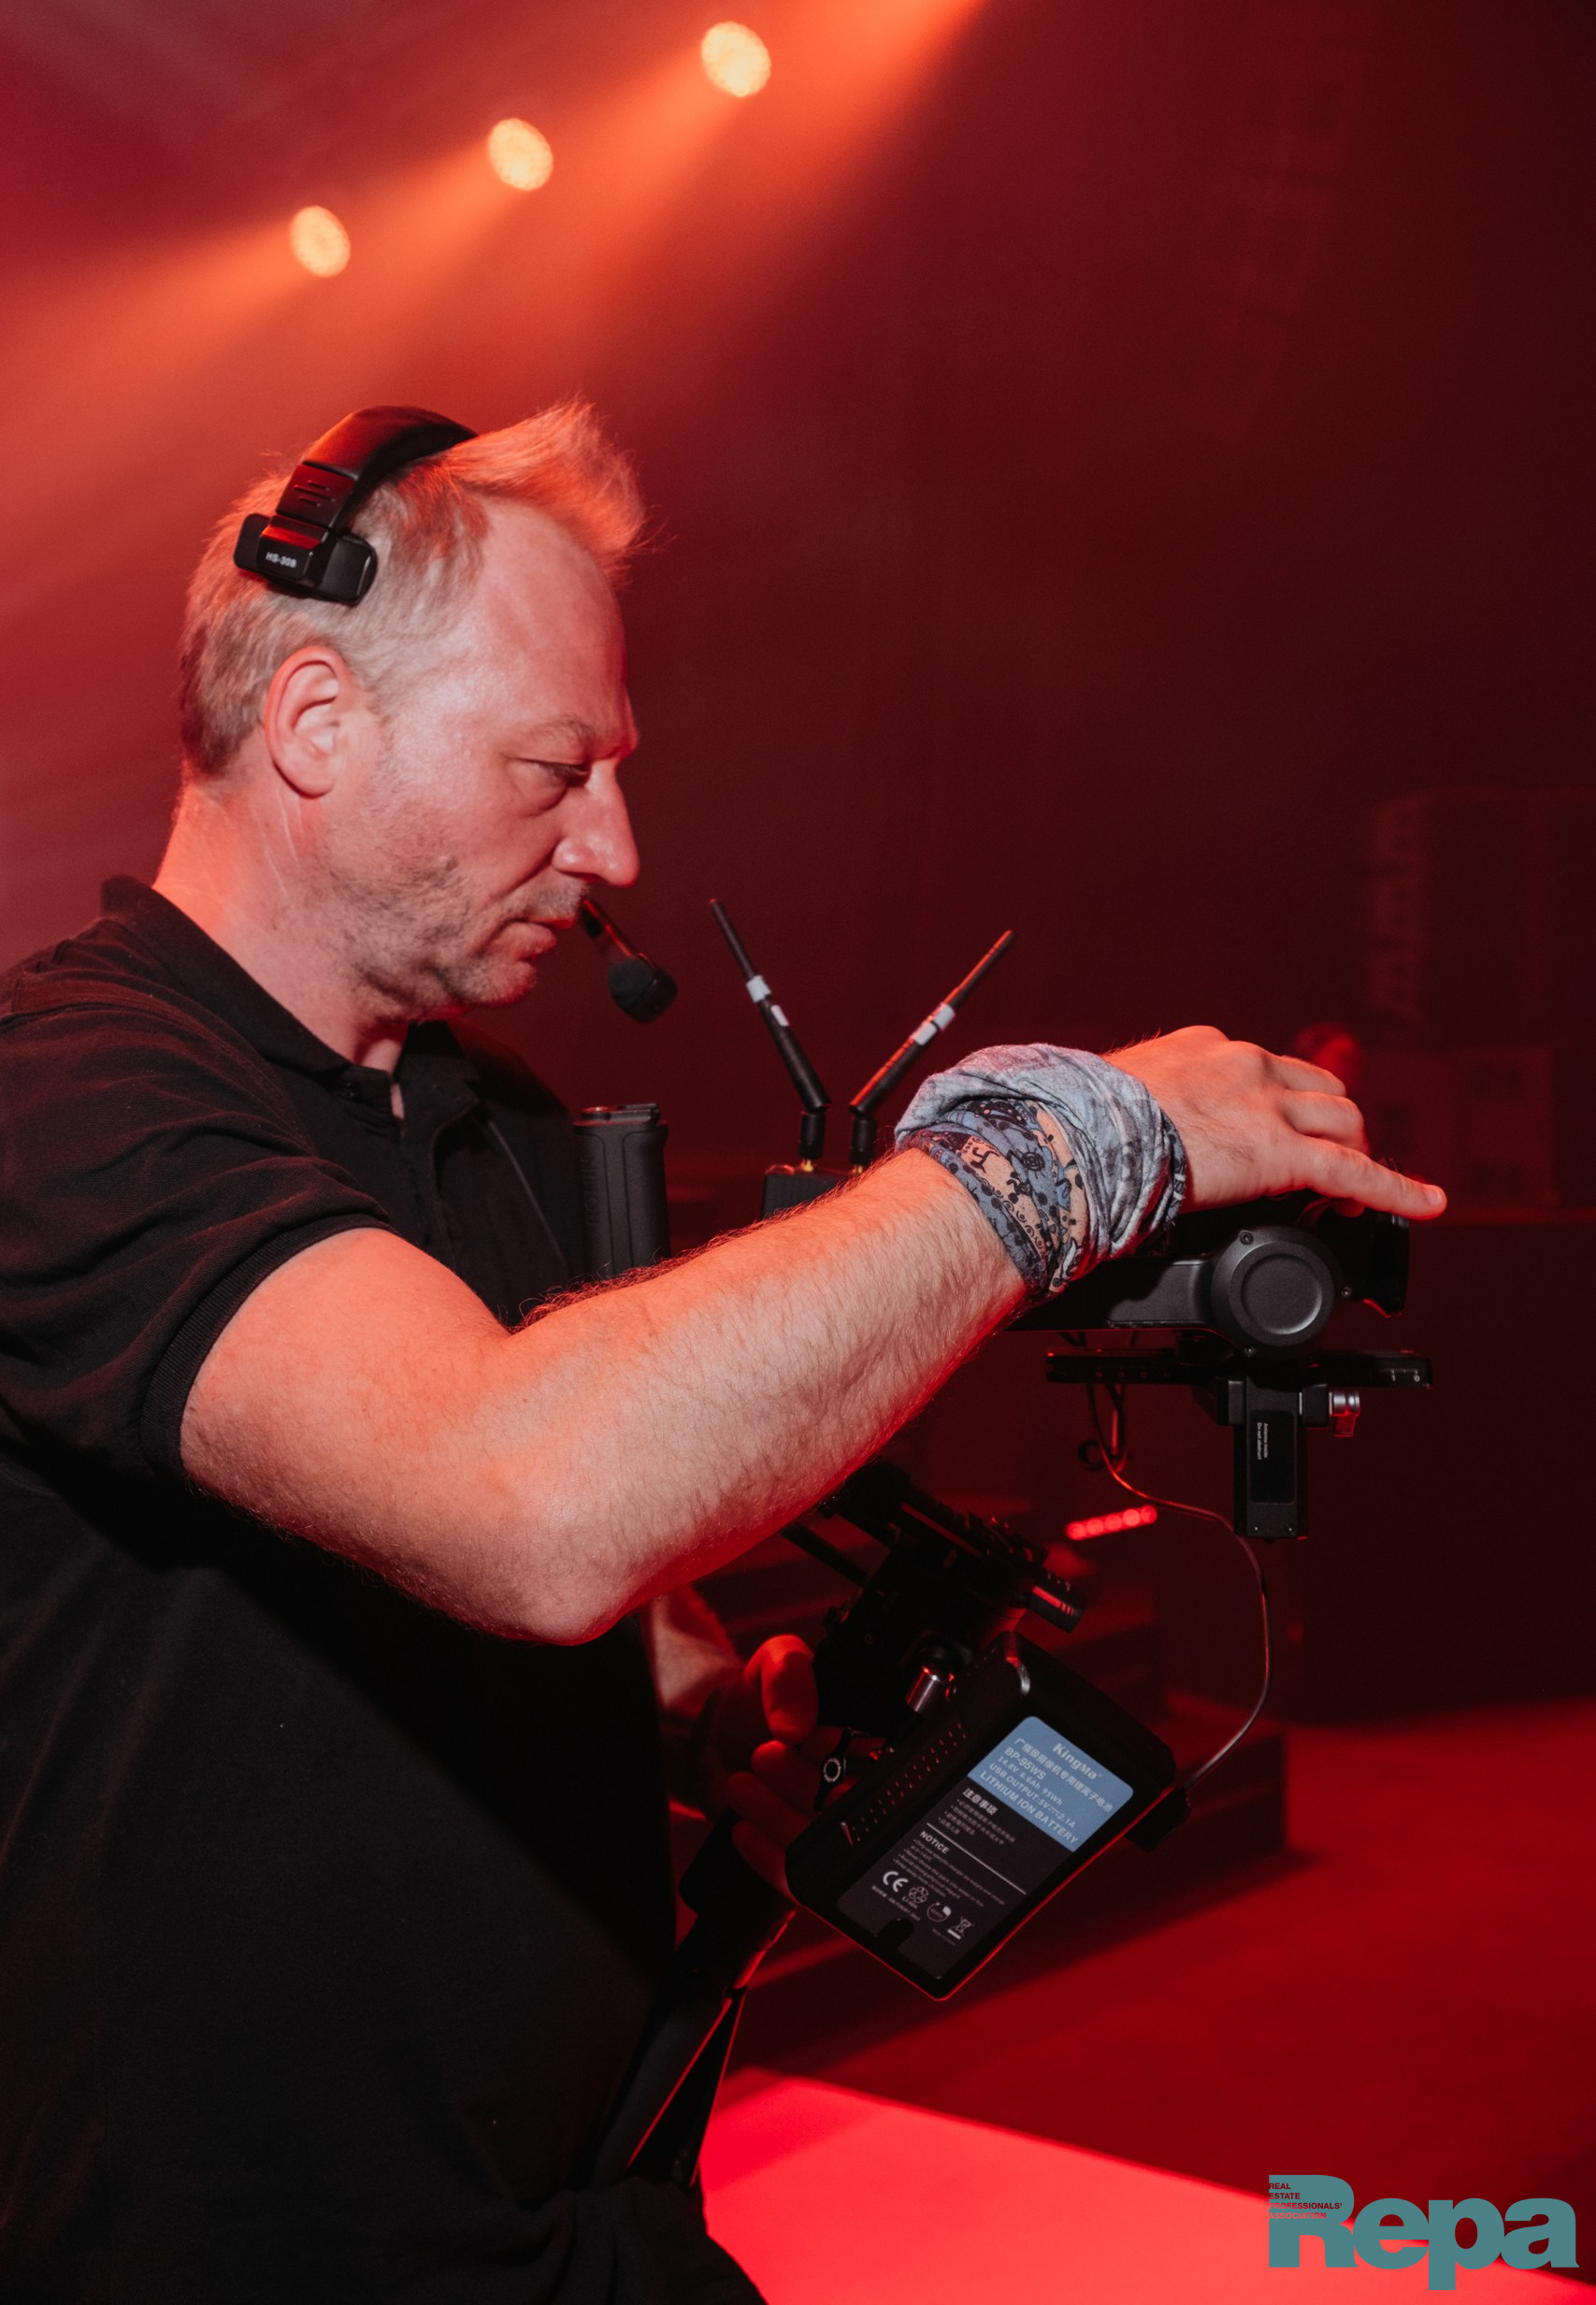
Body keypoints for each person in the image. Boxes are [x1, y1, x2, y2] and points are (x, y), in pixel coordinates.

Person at [0, 405, 1445, 2304]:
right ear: (318, 724)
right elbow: (519, 1493)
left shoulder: (494, 1118)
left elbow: (575, 1554)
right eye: (554, 769)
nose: (613, 845)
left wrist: (702, 1705)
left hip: (599, 2211)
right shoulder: (69, 1098)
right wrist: (1059, 1160)